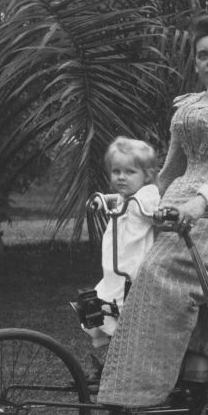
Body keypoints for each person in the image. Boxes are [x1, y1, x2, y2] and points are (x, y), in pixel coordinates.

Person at [96, 15, 208, 410]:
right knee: (142, 272)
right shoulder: (187, 107)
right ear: (195, 64)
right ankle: (190, 393)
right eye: (203, 56)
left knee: (160, 271)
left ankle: (136, 392)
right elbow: (171, 171)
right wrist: (136, 201)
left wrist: (200, 202)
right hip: (181, 215)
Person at [82, 137, 160, 351]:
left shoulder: (147, 194)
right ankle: (107, 352)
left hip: (134, 268)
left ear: (147, 175)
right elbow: (119, 197)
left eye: (130, 172)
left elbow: (152, 208)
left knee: (116, 309)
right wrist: (104, 200)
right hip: (116, 268)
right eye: (116, 172)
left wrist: (160, 213)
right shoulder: (127, 196)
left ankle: (118, 354)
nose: (122, 177)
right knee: (95, 304)